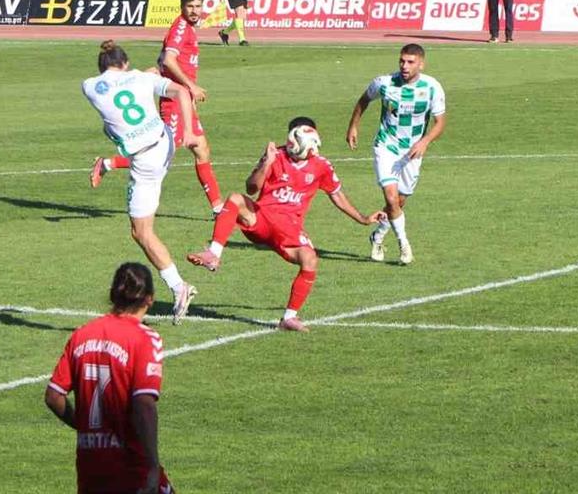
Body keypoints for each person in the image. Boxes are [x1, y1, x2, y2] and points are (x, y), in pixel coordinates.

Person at [186, 118, 385, 332]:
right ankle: (213, 253)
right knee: (235, 198)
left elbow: (337, 196)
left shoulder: (322, 166)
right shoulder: (276, 156)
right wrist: (266, 163)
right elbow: (251, 188)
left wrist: (363, 219)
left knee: (309, 259)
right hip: (261, 220)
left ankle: (289, 317)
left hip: (289, 231)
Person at [82, 41, 199, 325]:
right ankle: (109, 162)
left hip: (145, 161)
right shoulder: (143, 78)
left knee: (141, 232)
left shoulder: (88, 86)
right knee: (122, 124)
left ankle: (179, 287)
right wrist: (190, 131)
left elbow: (113, 84)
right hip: (165, 142)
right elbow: (182, 91)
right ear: (125, 64)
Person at [91, 0, 224, 217]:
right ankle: (108, 163)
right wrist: (190, 86)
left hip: (183, 99)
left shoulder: (188, 28)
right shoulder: (180, 28)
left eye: (198, 7)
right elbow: (169, 60)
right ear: (182, 6)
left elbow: (164, 60)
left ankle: (218, 207)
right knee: (163, 154)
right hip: (174, 100)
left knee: (202, 149)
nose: (194, 11)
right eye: (190, 7)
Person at [46, 262, 175, 494]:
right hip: (131, 466)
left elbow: (54, 396)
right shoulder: (146, 339)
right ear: (150, 299)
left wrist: (82, 425)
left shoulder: (81, 335)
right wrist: (153, 465)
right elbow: (144, 404)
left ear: (112, 295)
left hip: (90, 468)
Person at [345, 44, 447, 265]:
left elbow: (440, 123)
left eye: (410, 62)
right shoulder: (384, 83)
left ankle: (378, 235)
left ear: (421, 64)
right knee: (391, 198)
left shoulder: (432, 87)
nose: (404, 66)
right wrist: (353, 126)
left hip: (412, 152)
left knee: (398, 203)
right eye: (402, 61)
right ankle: (404, 245)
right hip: (386, 147)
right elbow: (363, 100)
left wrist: (425, 142)